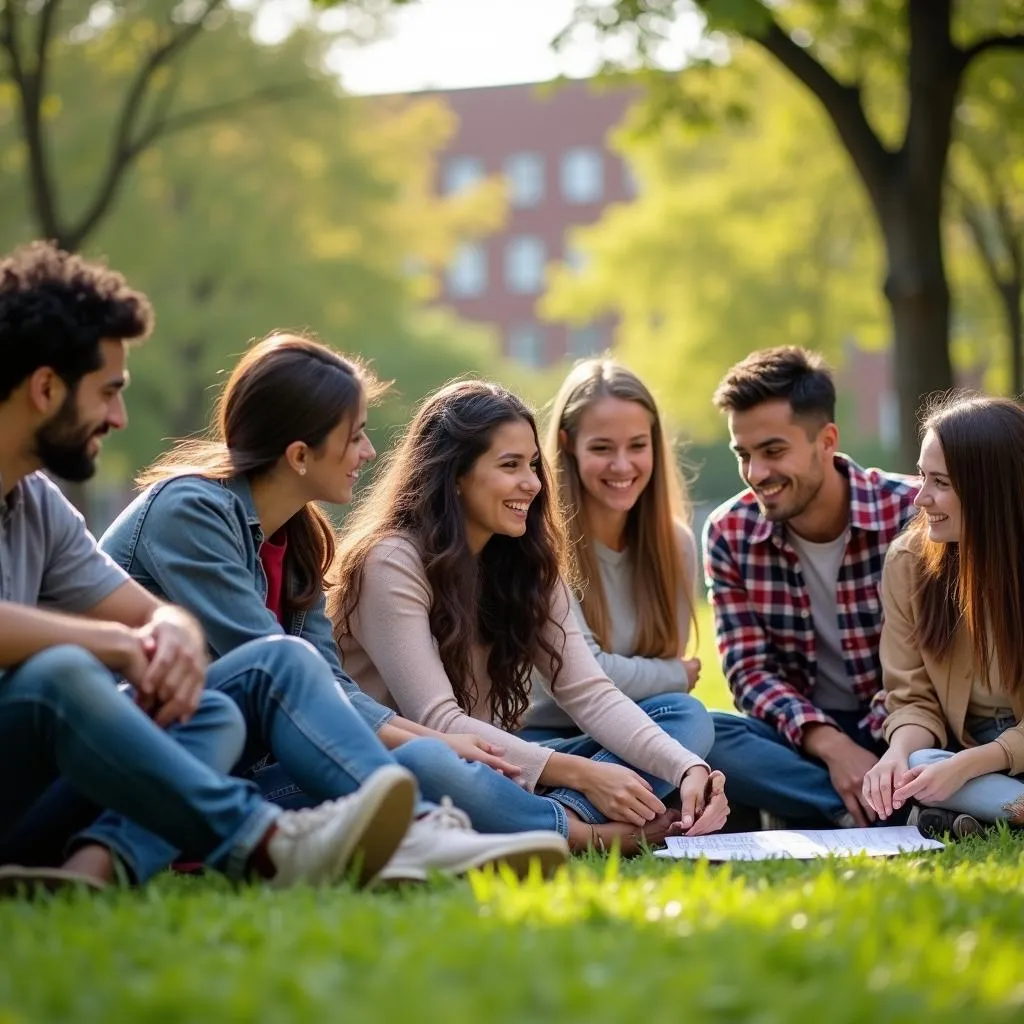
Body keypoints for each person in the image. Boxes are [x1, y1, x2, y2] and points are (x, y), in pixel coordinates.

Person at [0, 241, 420, 894]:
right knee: (61, 673)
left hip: (39, 790)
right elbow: (100, 638)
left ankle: (88, 873)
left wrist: (171, 628)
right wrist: (119, 642)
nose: (119, 418)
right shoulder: (194, 507)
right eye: (108, 392)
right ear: (46, 387)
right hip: (32, 741)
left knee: (220, 708)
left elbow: (145, 609)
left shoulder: (36, 504)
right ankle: (266, 843)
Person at [99, 334, 569, 882]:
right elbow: (278, 673)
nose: (368, 452)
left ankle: (431, 831)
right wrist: (443, 740)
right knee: (331, 693)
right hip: (131, 759)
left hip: (242, 771)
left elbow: (332, 687)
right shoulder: (191, 513)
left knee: (430, 762)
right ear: (300, 455)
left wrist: (444, 744)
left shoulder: (299, 539)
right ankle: (430, 833)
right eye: (355, 436)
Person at [331, 379, 729, 854]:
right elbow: (437, 721)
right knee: (428, 761)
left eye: (534, 465)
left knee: (684, 714)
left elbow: (591, 693)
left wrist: (688, 770)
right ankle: (587, 835)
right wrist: (584, 773)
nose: (534, 483)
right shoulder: (392, 561)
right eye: (510, 466)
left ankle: (545, 817)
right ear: (456, 474)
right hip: (405, 765)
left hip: (504, 767)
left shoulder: (528, 560)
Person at [703, 347, 917, 828]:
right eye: (745, 455)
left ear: (827, 440)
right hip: (803, 736)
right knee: (699, 732)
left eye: (774, 451)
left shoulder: (913, 513)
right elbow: (748, 673)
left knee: (937, 746)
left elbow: (932, 663)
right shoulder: (729, 532)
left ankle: (833, 802)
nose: (756, 473)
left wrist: (874, 743)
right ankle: (862, 806)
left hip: (907, 725)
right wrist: (832, 745)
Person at [862, 395, 1024, 836]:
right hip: (962, 751)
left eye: (941, 482)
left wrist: (973, 765)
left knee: (944, 774)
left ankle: (980, 810)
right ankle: (1002, 808)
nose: (920, 497)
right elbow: (912, 696)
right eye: (921, 476)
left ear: (991, 487)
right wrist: (896, 755)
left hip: (987, 756)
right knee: (921, 765)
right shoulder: (908, 562)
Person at [520, 358, 702, 738]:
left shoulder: (676, 544)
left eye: (637, 445)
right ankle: (603, 794)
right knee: (689, 724)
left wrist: (668, 679)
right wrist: (675, 674)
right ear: (569, 446)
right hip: (549, 736)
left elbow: (664, 687)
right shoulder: (541, 543)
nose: (622, 466)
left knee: (696, 718)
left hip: (639, 724)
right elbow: (585, 674)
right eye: (602, 448)